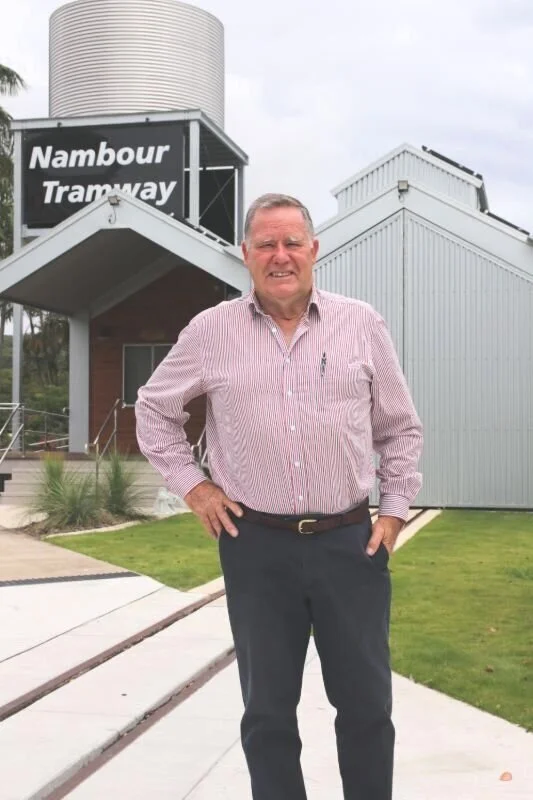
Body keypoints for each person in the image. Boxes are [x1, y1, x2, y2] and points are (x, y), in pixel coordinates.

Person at [135, 193, 423, 800]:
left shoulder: (361, 324)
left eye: (292, 242)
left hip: (351, 544)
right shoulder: (210, 332)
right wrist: (195, 487)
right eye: (266, 244)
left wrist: (395, 510)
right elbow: (154, 411)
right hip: (256, 547)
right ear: (246, 254)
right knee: (267, 712)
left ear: (314, 250)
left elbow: (398, 427)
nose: (280, 255)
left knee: (367, 707)